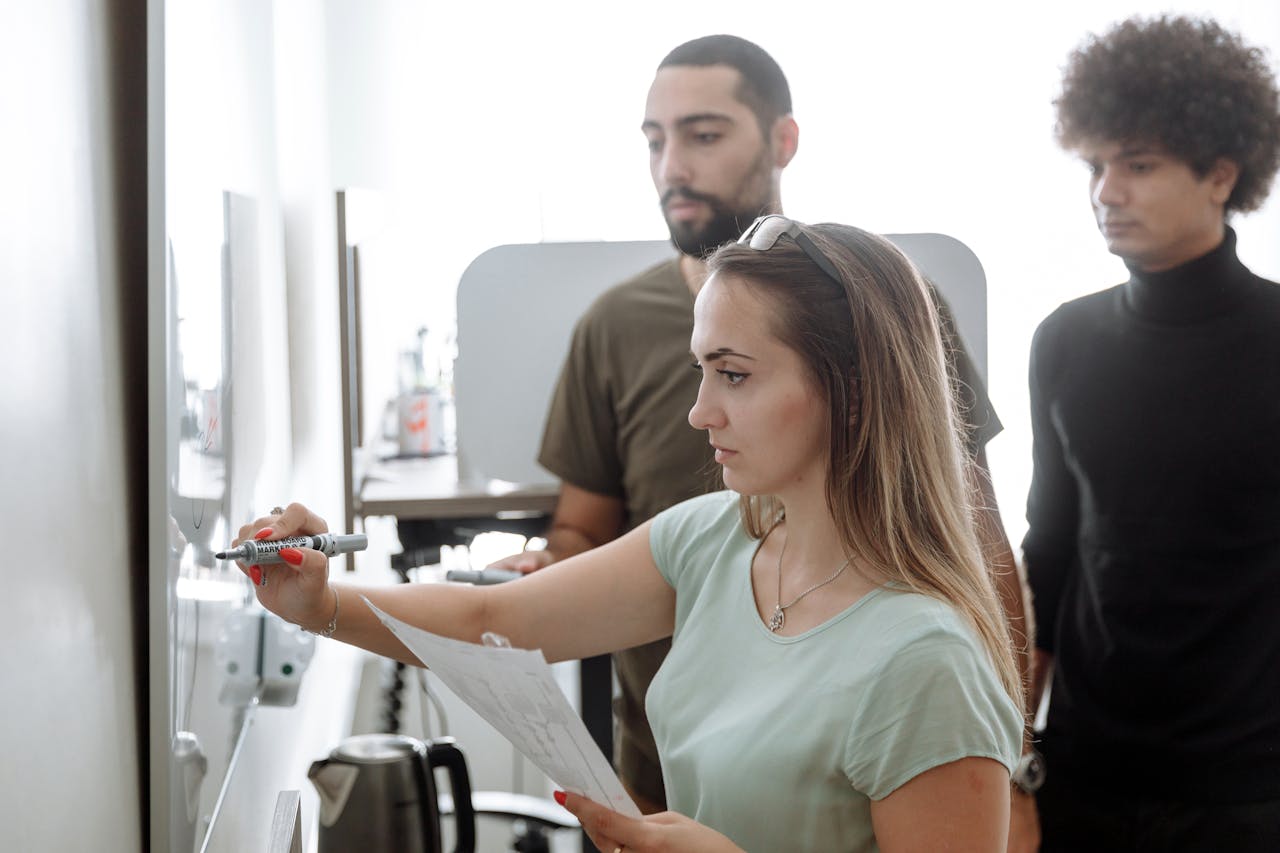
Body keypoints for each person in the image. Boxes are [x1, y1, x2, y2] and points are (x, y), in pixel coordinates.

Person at [239, 217, 1024, 853]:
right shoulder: (714, 540)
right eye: (700, 371)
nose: (700, 411)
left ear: (849, 389)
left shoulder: (927, 664)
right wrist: (320, 602)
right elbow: (497, 622)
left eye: (735, 374)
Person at [489, 34, 1036, 829]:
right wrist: (546, 569)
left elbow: (974, 531)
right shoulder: (613, 327)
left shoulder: (880, 313)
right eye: (655, 139)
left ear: (783, 140)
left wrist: (1007, 765)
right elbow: (583, 524)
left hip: (848, 761)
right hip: (659, 757)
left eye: (703, 135)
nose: (673, 164)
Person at [1023, 14, 1280, 852]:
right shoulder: (1066, 340)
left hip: (1248, 790)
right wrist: (1013, 741)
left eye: (1137, 165)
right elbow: (1052, 553)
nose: (1105, 192)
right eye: (1096, 166)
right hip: (1086, 777)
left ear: (1220, 172)